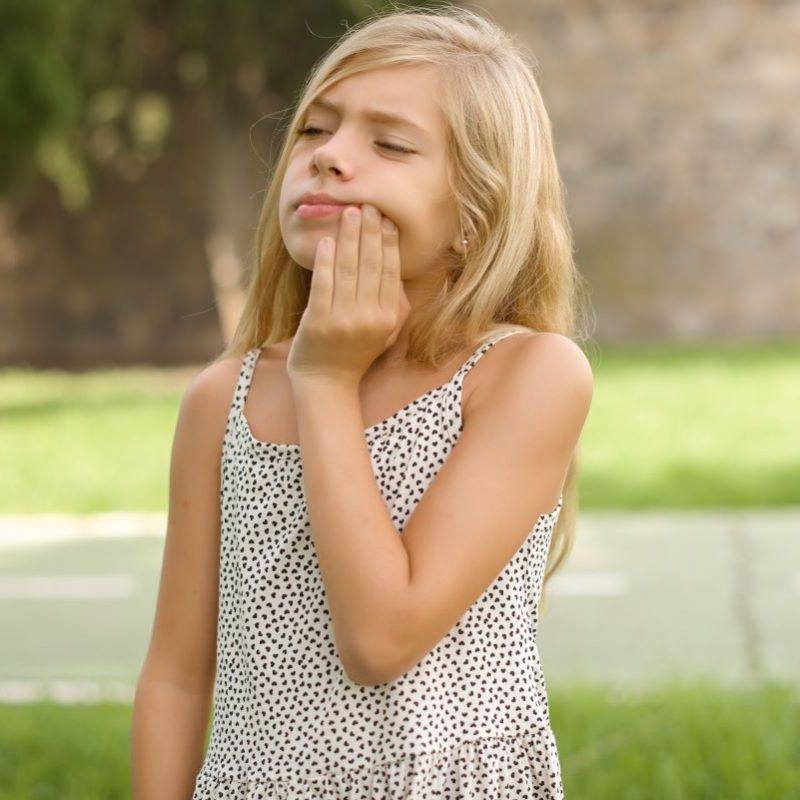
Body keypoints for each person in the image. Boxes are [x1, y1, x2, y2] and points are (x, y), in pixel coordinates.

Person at [131, 5, 594, 799]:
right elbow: (175, 677)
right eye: (314, 131)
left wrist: (325, 381)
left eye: (389, 143)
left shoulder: (529, 376)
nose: (329, 158)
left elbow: (380, 638)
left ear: (475, 214)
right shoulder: (223, 400)